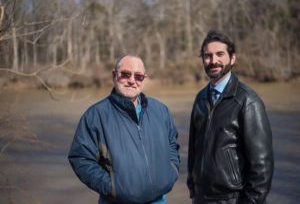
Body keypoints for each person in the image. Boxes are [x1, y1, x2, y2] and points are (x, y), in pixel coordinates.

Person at [68, 55, 180, 204]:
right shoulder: (95, 116)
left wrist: (171, 171)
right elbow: (80, 158)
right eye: (125, 74)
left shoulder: (160, 110)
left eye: (139, 76)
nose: (132, 80)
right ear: (114, 75)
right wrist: (113, 188)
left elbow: (172, 144)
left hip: (159, 200)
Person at [187, 30, 274, 204]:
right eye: (208, 56)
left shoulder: (247, 101)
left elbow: (262, 165)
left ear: (232, 58)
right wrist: (192, 186)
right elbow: (193, 149)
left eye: (220, 54)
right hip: (201, 198)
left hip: (233, 199)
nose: (213, 61)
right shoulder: (201, 98)